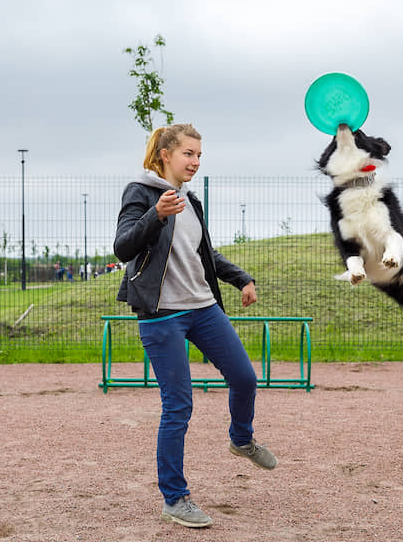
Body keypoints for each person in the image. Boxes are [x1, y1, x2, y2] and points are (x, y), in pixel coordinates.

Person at [113, 123, 276, 529]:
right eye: (189, 153)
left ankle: (241, 439)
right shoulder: (141, 192)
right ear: (165, 154)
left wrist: (241, 277)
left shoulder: (191, 200)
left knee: (245, 379)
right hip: (162, 314)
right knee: (178, 406)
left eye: (199, 155)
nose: (196, 162)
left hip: (203, 308)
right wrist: (155, 214)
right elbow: (123, 246)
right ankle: (175, 498)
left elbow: (204, 253)